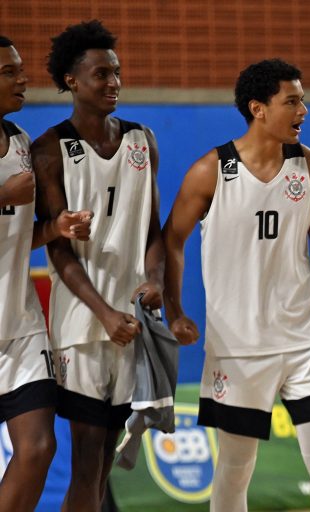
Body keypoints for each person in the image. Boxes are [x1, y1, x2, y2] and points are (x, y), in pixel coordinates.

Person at [162, 58, 310, 512]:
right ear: (258, 108)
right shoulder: (211, 170)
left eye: (303, 100)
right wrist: (174, 310)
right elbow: (170, 241)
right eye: (292, 101)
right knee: (235, 468)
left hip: (306, 338)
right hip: (239, 346)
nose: (303, 110)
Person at [31, 21, 165, 512]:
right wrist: (104, 314)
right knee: (88, 462)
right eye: (101, 74)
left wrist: (156, 280)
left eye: (117, 72)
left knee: (105, 462)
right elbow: (58, 249)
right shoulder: (50, 149)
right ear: (72, 80)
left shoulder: (142, 140)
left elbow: (153, 229)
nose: (114, 82)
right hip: (83, 328)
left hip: (130, 323)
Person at [0, 35, 92, 512]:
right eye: (8, 72)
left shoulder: (19, 141)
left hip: (19, 326)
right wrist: (2, 196)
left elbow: (15, 233)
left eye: (20, 69)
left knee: (38, 448)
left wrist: (55, 227)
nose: (23, 79)